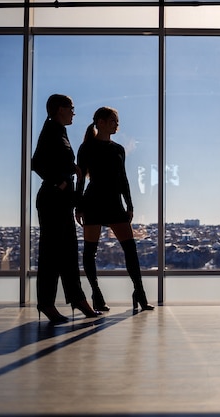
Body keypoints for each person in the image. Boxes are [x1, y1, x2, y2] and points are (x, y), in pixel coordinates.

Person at [75, 106, 154, 313]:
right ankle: (96, 294)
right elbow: (81, 179)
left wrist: (129, 204)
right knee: (90, 252)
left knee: (130, 249)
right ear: (100, 122)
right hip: (92, 202)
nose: (116, 124)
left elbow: (123, 178)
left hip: (114, 203)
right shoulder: (86, 148)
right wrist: (78, 206)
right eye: (113, 120)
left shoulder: (118, 149)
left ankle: (140, 293)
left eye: (117, 121)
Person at [31, 94, 100, 323]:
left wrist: (71, 167)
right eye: (71, 108)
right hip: (53, 199)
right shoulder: (52, 129)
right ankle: (49, 303)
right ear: (60, 109)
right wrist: (57, 182)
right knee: (52, 254)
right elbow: (37, 163)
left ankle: (75, 299)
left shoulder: (58, 130)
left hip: (59, 201)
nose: (73, 112)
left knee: (67, 251)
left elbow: (54, 159)